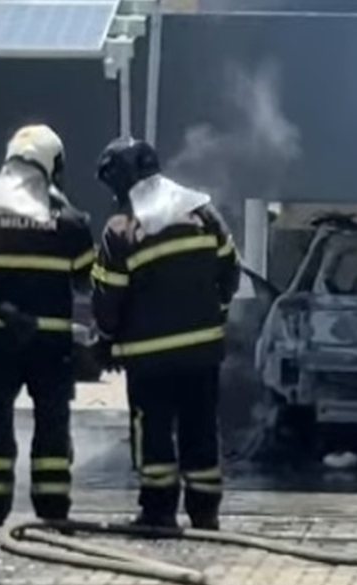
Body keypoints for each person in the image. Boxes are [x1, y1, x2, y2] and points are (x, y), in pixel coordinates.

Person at [0, 124, 94, 526]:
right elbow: (88, 278)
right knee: (53, 424)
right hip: (51, 344)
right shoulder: (69, 219)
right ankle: (53, 512)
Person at [92, 137, 240, 530]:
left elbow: (108, 298)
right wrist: (215, 315)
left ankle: (158, 513)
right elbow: (230, 270)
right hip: (203, 352)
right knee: (201, 429)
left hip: (149, 358)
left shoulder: (121, 228)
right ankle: (205, 513)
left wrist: (105, 340)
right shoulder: (203, 212)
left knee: (153, 432)